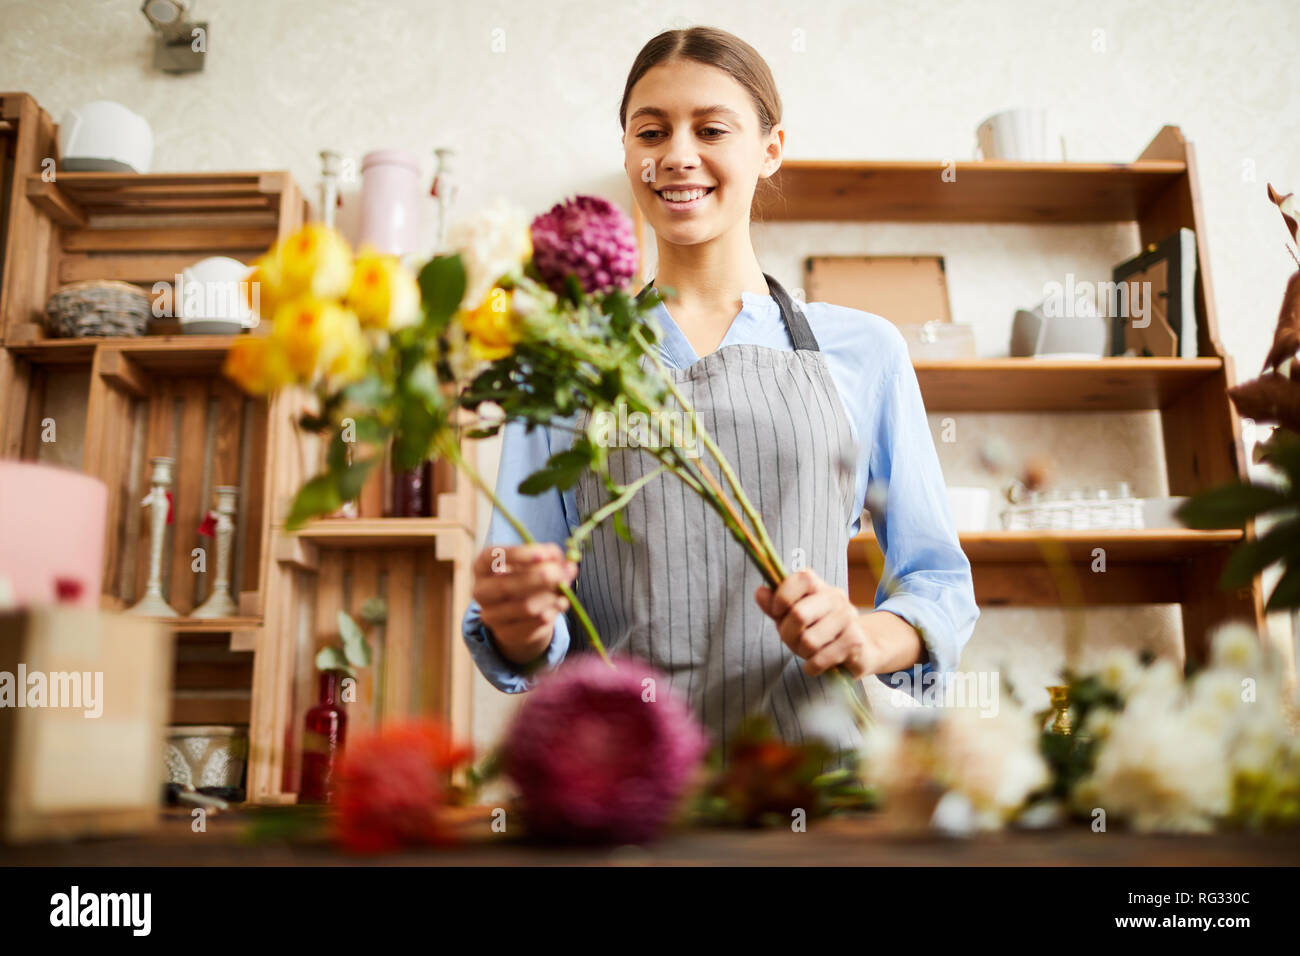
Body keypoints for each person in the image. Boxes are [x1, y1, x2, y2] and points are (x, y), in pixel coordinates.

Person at [462, 25, 979, 760]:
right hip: (615, 784)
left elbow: (938, 584)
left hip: (811, 778)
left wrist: (861, 635)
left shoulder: (866, 350)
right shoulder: (559, 360)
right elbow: (524, 608)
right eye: (651, 131)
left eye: (710, 129)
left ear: (770, 149)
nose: (676, 154)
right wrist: (519, 622)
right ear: (628, 152)